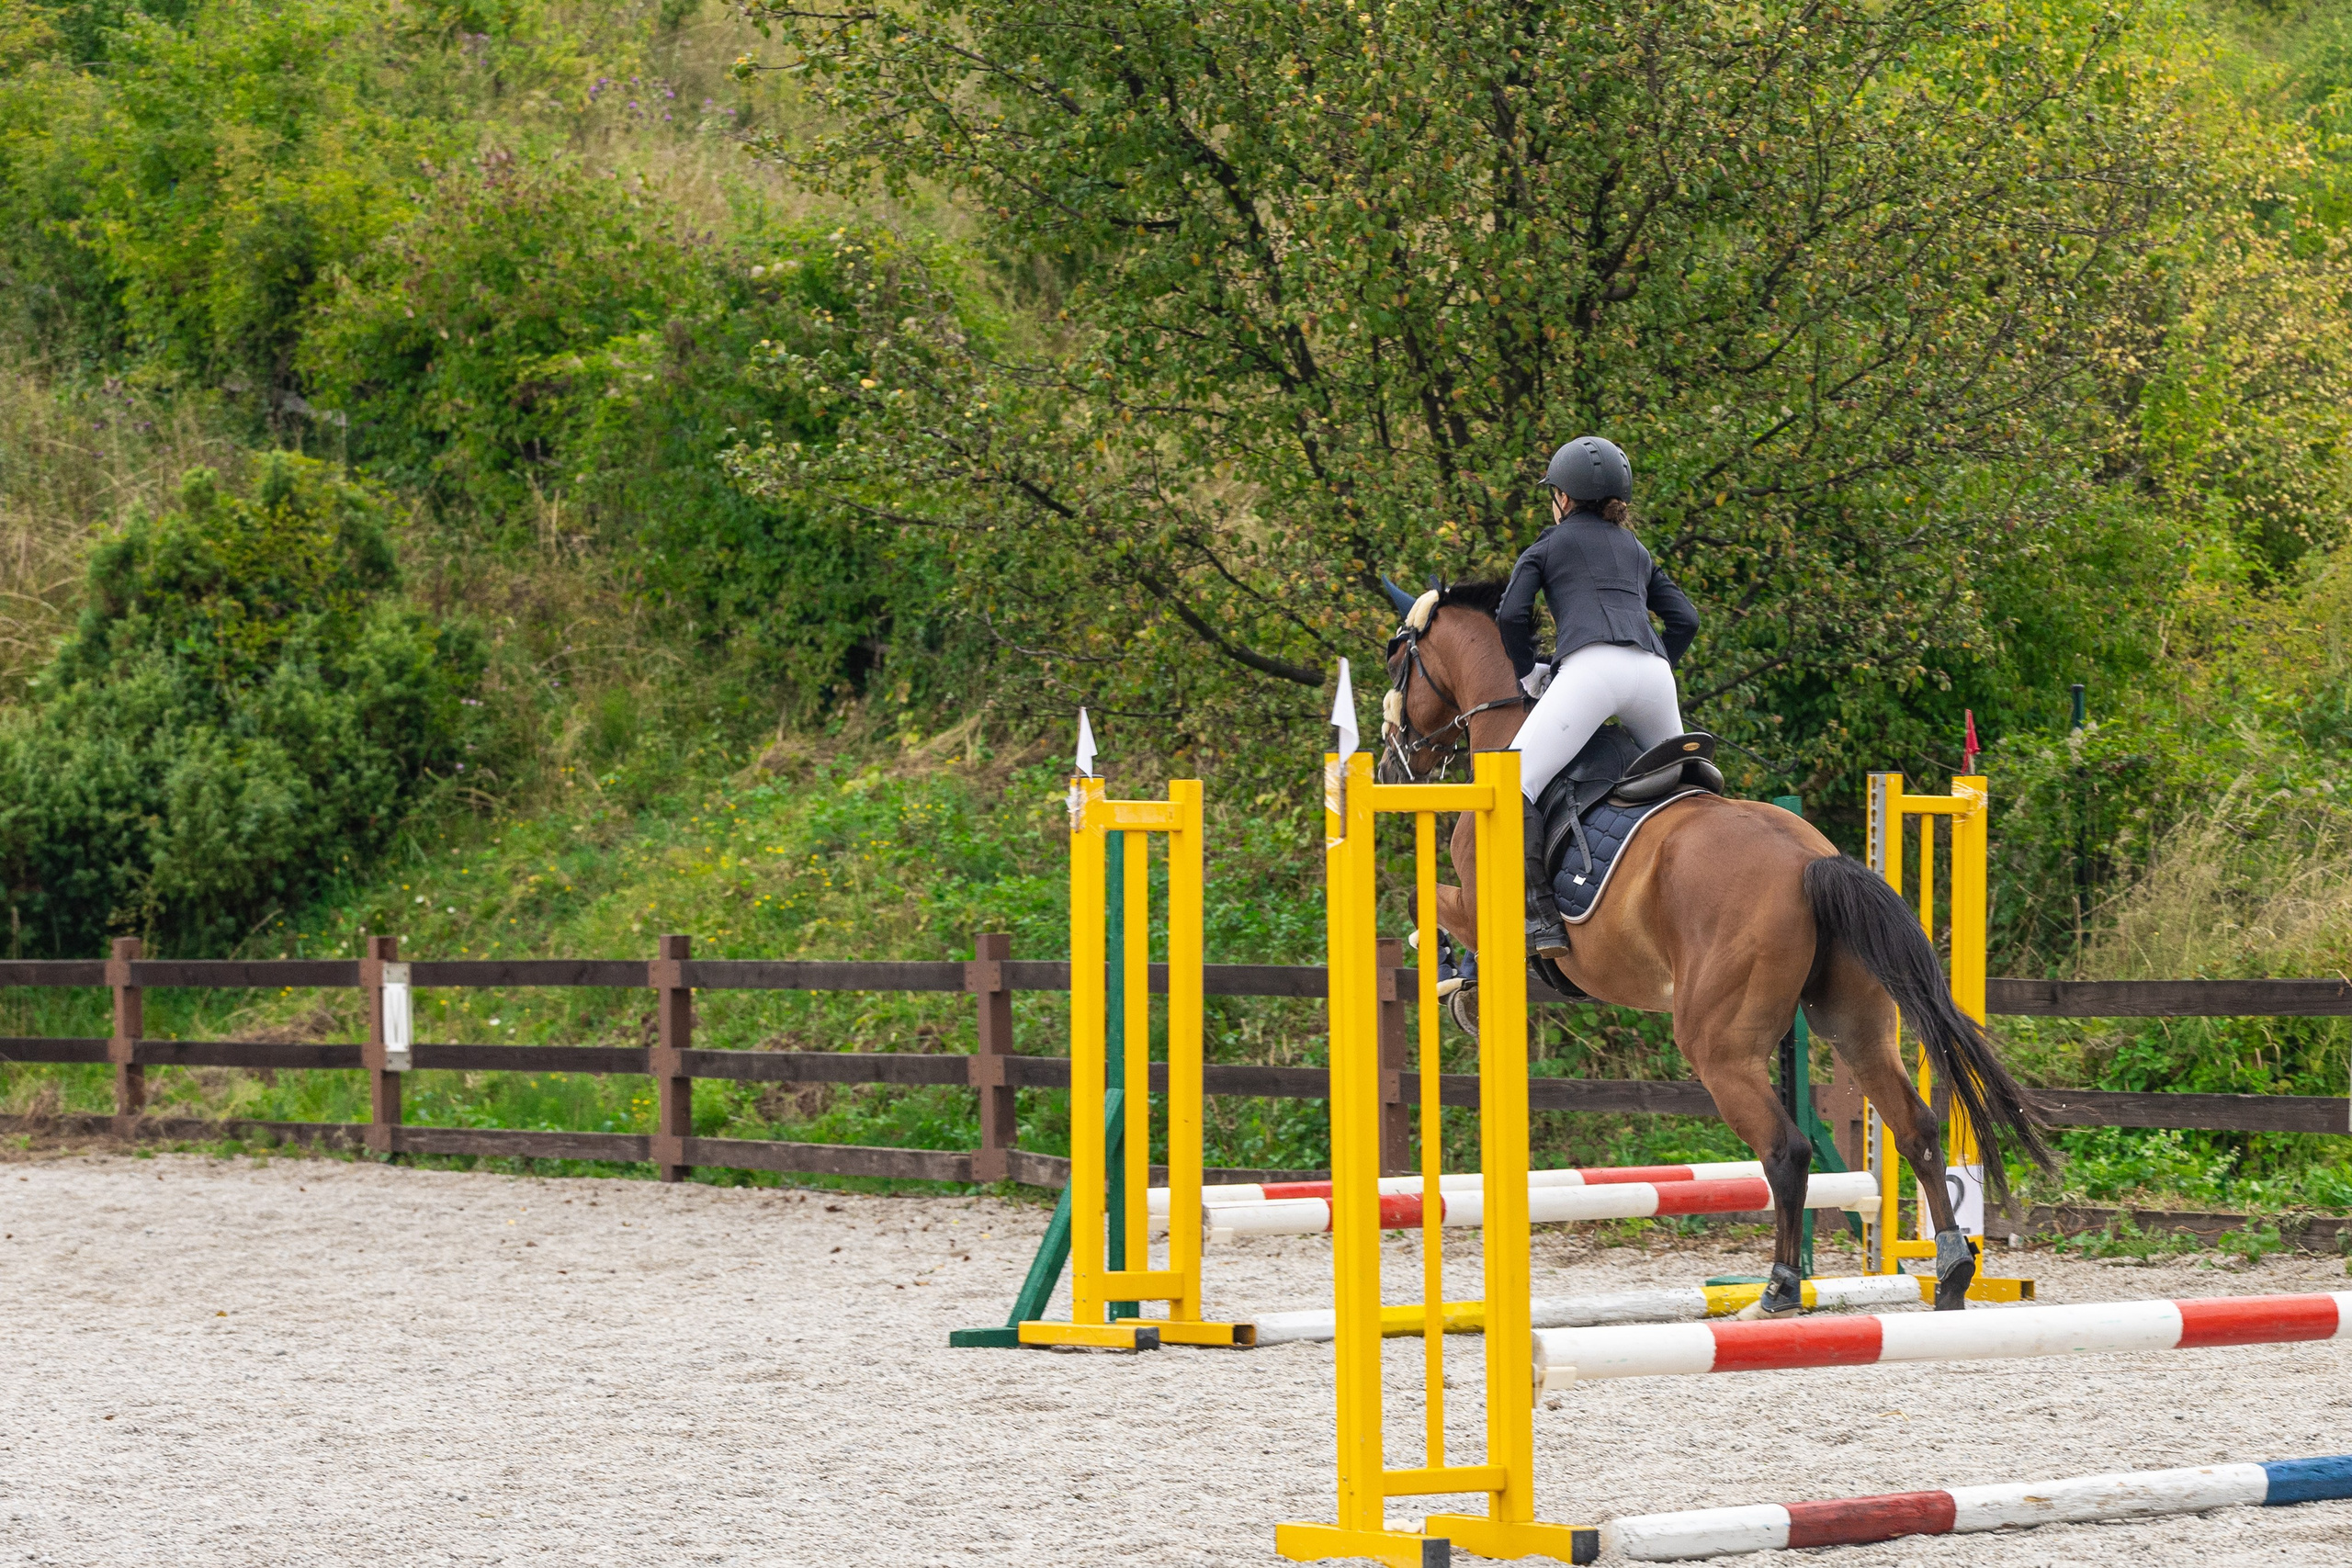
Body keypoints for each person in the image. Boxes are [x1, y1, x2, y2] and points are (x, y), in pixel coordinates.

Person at [1498, 435, 1700, 953]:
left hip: (1589, 672)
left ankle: (1540, 918)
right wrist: (1652, 665)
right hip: (1654, 673)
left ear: (1563, 497)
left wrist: (1529, 675)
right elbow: (1686, 619)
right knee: (1687, 786)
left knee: (1511, 781)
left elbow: (1511, 615)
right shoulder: (1637, 550)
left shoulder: (1547, 544)